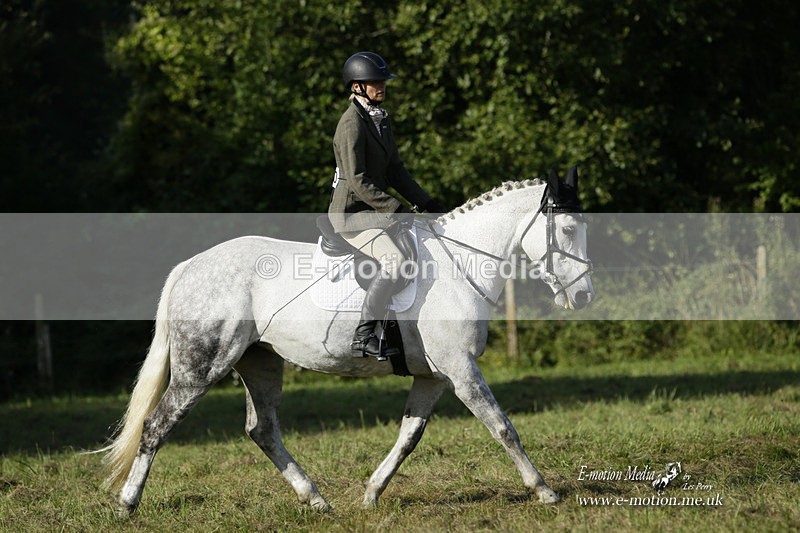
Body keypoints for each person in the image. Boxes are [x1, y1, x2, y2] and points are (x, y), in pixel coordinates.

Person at [328, 51, 445, 358]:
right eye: (373, 82)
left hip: (373, 210)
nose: (381, 86)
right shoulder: (351, 123)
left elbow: (395, 170)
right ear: (356, 87)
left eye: (382, 81)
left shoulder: (380, 119)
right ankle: (363, 336)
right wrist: (396, 209)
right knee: (394, 260)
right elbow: (357, 179)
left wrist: (427, 201)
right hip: (352, 214)